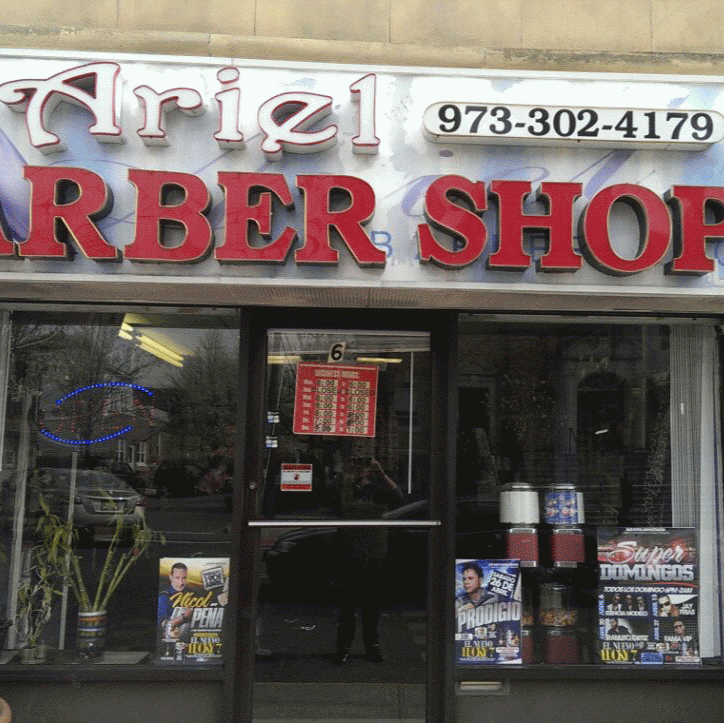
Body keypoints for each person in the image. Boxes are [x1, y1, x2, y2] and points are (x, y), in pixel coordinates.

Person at [333, 457, 403, 664]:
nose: (360, 471)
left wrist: (380, 473)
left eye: (363, 467)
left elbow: (398, 497)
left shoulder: (376, 488)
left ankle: (372, 646)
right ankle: (343, 647)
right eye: (357, 466)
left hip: (373, 554)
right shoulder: (345, 487)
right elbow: (335, 499)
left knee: (371, 607)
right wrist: (347, 477)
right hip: (351, 552)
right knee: (348, 607)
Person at [158, 562, 192, 640]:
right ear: (171, 577)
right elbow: (163, 624)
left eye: (184, 578)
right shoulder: (163, 597)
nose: (181, 583)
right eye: (177, 578)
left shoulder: (189, 593)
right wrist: (184, 617)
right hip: (170, 641)